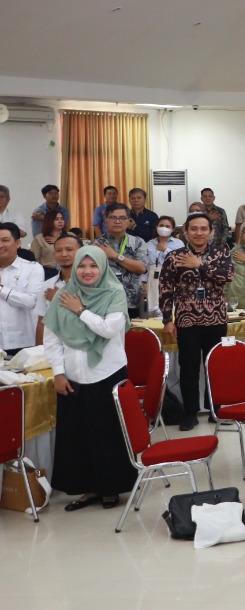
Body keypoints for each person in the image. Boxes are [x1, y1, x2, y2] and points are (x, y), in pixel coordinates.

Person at [43, 246, 134, 511]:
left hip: (108, 373)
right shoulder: (64, 295)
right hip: (73, 376)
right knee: (78, 434)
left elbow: (109, 329)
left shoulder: (114, 292)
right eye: (82, 266)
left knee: (107, 433)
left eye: (93, 265)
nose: (87, 271)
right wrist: (58, 372)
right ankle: (87, 488)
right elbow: (52, 338)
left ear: (102, 267)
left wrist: (80, 310)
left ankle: (111, 487)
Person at [158, 213, 232, 431]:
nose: (199, 233)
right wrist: (167, 319)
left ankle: (215, 409)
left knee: (215, 366)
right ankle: (190, 413)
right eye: (194, 229)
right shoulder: (174, 256)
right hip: (187, 320)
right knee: (188, 367)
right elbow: (165, 288)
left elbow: (226, 276)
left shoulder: (221, 252)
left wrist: (199, 265)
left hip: (216, 318)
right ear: (186, 232)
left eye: (203, 229)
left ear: (211, 231)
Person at [94, 202, 148, 315]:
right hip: (104, 303)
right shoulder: (96, 245)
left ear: (128, 221)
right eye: (113, 217)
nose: (117, 221)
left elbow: (141, 268)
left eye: (122, 218)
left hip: (132, 303)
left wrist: (115, 255)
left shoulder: (138, 242)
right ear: (106, 220)